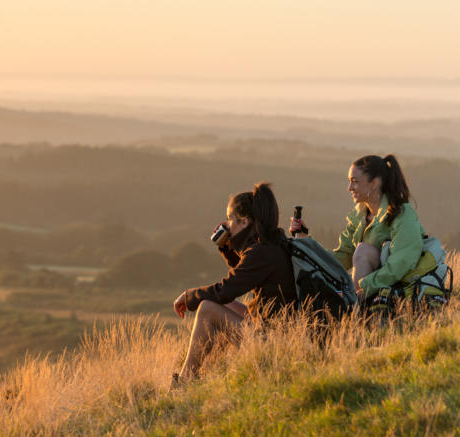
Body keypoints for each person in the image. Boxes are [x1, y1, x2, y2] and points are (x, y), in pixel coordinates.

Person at [171, 182, 296, 387]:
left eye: (231, 219)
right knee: (223, 307)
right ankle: (211, 373)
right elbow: (245, 272)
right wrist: (227, 248)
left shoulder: (261, 252)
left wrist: (188, 296)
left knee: (208, 309)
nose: (228, 225)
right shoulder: (272, 244)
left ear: (245, 222)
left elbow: (225, 290)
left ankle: (184, 381)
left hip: (273, 344)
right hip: (276, 332)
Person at [290, 154, 425, 303]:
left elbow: (400, 264)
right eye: (349, 182)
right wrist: (307, 242)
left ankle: (354, 311)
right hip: (370, 287)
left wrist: (362, 289)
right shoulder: (360, 214)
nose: (349, 188)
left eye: (355, 182)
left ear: (374, 183)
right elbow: (341, 258)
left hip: (400, 285)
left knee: (363, 251)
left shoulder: (402, 214)